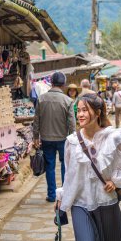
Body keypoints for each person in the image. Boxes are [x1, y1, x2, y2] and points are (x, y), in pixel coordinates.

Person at [56, 93, 121, 241]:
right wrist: (62, 197)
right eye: (78, 110)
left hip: (105, 199)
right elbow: (70, 175)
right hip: (80, 202)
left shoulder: (112, 138)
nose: (80, 114)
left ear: (98, 113)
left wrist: (115, 181)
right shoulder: (72, 142)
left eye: (85, 110)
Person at [33, 72, 76, 202]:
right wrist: (73, 138)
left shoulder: (41, 99)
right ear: (63, 85)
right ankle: (65, 194)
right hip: (63, 139)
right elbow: (72, 123)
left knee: (50, 167)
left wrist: (36, 137)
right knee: (65, 166)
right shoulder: (68, 101)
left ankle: (52, 195)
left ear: (51, 83)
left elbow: (36, 121)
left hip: (46, 139)